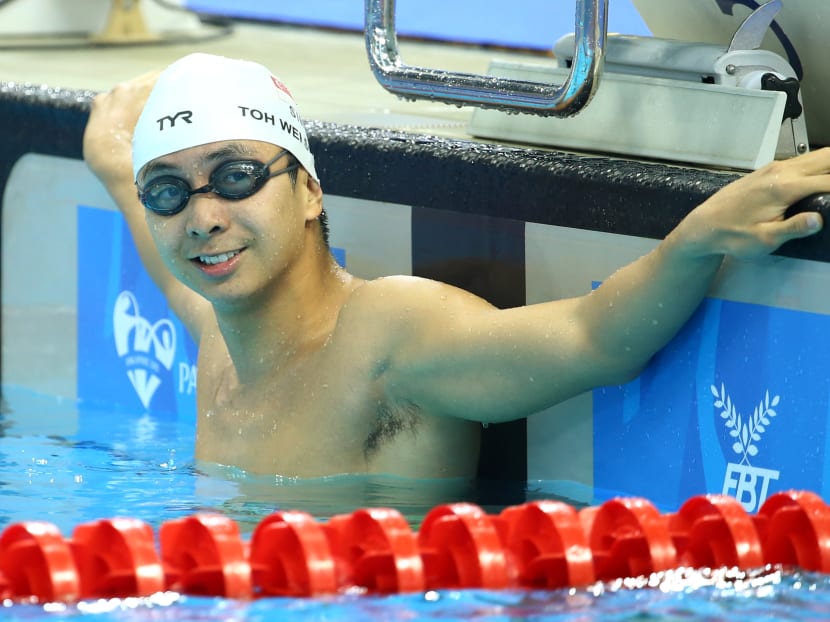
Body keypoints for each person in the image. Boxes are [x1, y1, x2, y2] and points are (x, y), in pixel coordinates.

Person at [83, 52, 828, 479]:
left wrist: (698, 236)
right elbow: (155, 234)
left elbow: (592, 339)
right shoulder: (219, 332)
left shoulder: (385, 338)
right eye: (171, 191)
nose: (204, 216)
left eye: (238, 176)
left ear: (309, 190)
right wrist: (117, 164)